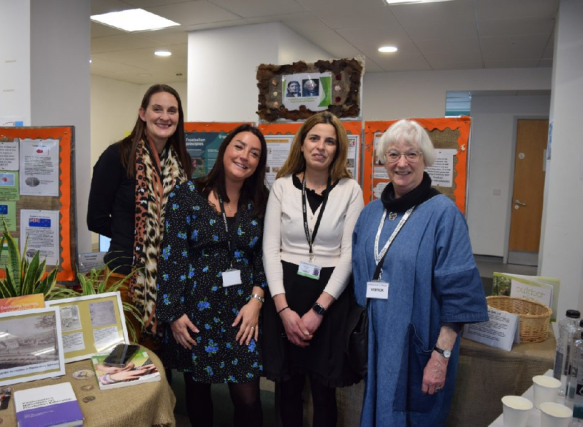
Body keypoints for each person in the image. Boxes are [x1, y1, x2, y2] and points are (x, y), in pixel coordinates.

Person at [352, 119, 488, 426]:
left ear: (425, 159)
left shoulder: (444, 215)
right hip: (375, 341)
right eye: (393, 154)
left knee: (411, 416)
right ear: (383, 160)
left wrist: (441, 356)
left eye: (411, 154)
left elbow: (459, 293)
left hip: (419, 345)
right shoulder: (370, 213)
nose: (402, 163)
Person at [155, 124, 269, 427]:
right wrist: (173, 313)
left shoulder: (261, 200)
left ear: (259, 163)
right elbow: (172, 256)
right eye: (239, 146)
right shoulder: (187, 194)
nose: (244, 156)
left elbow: (264, 256)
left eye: (254, 153)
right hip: (194, 312)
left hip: (242, 314)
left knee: (249, 399)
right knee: (198, 392)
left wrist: (257, 301)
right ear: (224, 149)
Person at [262, 112, 364, 427]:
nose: (321, 146)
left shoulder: (350, 189)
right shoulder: (281, 187)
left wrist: (319, 309)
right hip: (286, 294)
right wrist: (283, 310)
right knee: (288, 388)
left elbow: (349, 255)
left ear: (338, 149)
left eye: (329, 141)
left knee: (324, 392)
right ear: (302, 144)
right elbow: (270, 249)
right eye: (314, 138)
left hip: (330, 297)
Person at [87, 84, 192, 345]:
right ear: (143, 113)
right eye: (157, 109)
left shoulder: (181, 162)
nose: (164, 117)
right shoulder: (117, 156)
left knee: (158, 356)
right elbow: (95, 218)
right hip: (124, 277)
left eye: (172, 111)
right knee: (124, 354)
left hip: (168, 279)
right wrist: (138, 238)